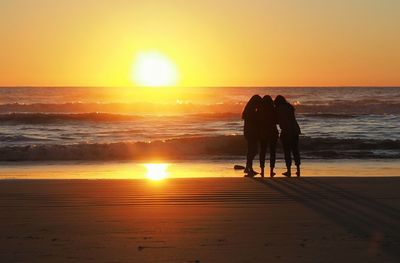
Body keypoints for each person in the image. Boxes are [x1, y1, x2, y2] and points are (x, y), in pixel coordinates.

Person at [274, 95, 301, 177]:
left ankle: (288, 170)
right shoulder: (289, 107)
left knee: (287, 151)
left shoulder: (278, 109)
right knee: (295, 150)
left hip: (286, 131)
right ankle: (298, 169)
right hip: (295, 130)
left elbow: (277, 121)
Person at [242, 95, 262, 176]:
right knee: (253, 150)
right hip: (252, 133)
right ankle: (249, 167)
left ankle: (248, 167)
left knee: (251, 150)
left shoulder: (248, 110)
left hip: (248, 132)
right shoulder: (252, 112)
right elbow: (255, 122)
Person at [259, 95, 279, 177]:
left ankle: (262, 169)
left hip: (263, 132)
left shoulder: (260, 110)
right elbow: (277, 121)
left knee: (262, 151)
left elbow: (258, 122)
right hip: (273, 131)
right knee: (272, 151)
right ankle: (271, 170)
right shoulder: (274, 110)